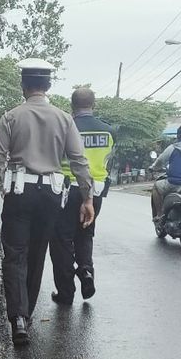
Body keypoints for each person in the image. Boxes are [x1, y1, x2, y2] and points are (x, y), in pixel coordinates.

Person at [0, 58, 95, 346]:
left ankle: (18, 318)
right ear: (48, 86)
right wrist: (88, 198)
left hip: (20, 193)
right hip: (52, 197)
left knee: (15, 254)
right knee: (37, 254)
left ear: (23, 86)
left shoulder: (11, 117)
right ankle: (26, 316)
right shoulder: (64, 119)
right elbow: (79, 161)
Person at [49, 88, 114, 305]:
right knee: (85, 234)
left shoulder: (67, 126)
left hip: (68, 191)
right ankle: (86, 271)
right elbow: (109, 161)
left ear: (72, 105)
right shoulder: (108, 131)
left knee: (62, 239)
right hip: (95, 192)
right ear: (93, 105)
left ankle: (66, 292)